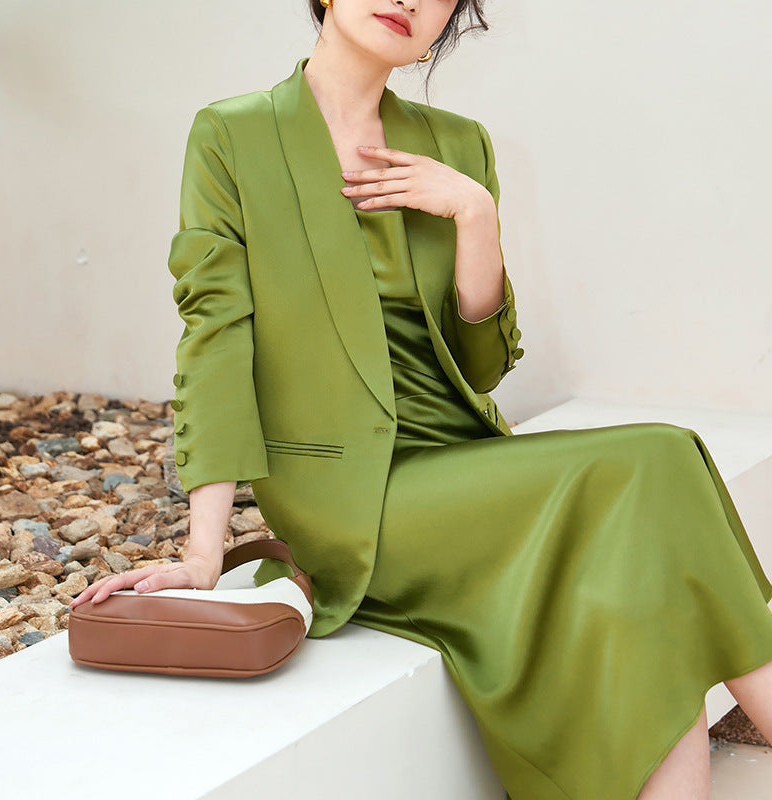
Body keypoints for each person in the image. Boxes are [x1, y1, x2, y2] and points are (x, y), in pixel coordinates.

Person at [70, 1, 772, 797]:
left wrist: (475, 214)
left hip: (464, 465)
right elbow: (215, 342)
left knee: (646, 583)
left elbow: (481, 367)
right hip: (346, 496)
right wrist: (204, 553)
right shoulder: (234, 135)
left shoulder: (458, 144)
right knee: (662, 458)